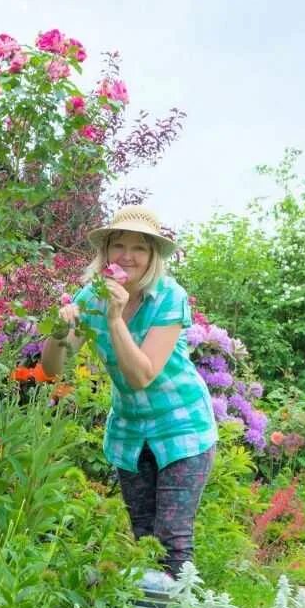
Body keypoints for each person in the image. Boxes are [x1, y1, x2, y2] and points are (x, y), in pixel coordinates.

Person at [40, 205, 217, 579]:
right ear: (105, 253)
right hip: (131, 431)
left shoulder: (169, 296)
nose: (127, 256)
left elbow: (141, 376)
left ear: (152, 256)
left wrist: (115, 318)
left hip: (182, 426)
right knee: (143, 540)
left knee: (171, 540)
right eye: (118, 245)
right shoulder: (90, 296)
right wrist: (58, 330)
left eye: (139, 248)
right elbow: (53, 369)